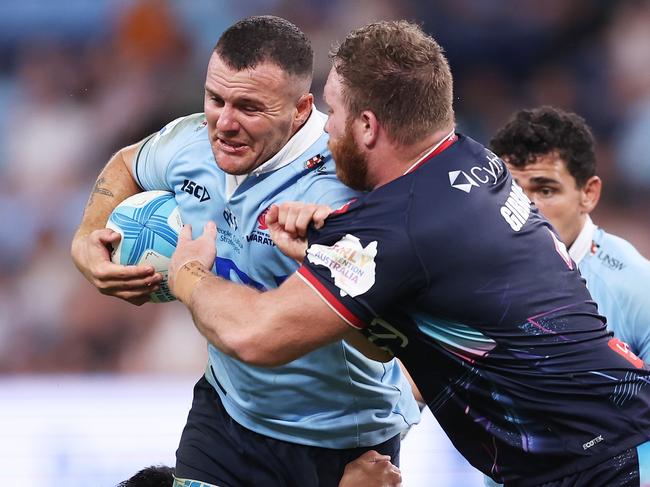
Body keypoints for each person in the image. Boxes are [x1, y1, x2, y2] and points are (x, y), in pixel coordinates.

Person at [167, 20, 650, 486]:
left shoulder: (400, 229)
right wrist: (324, 251)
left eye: (332, 114)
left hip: (601, 460)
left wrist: (188, 273)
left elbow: (257, 336)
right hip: (605, 442)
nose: (326, 130)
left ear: (367, 126)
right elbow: (396, 323)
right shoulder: (472, 160)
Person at [71, 16, 417, 487]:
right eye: (216, 99)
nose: (225, 123)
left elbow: (383, 341)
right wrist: (86, 237)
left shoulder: (346, 183)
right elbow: (127, 162)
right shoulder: (191, 141)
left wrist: (192, 274)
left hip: (341, 433)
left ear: (300, 110)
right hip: (226, 414)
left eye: (249, 107)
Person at [490, 106, 650, 360]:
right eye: (513, 190)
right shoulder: (465, 273)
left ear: (589, 194)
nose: (525, 208)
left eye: (545, 191)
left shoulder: (639, 290)